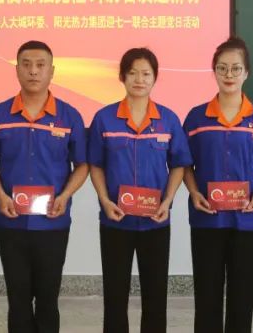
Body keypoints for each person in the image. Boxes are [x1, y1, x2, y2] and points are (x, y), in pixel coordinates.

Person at [0, 40, 89, 333]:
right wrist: (0, 195)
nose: (33, 71)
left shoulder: (69, 116)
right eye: (26, 65)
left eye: (41, 65)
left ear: (52, 71)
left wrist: (66, 195)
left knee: (48, 299)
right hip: (10, 221)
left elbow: (82, 165)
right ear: (17, 70)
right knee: (18, 299)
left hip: (53, 222)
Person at [182, 36, 253, 333]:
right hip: (207, 219)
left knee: (242, 295)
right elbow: (183, 163)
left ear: (246, 73)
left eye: (236, 68)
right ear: (214, 71)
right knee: (207, 295)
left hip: (247, 219)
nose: (229, 74)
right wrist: (193, 191)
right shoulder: (197, 117)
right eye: (222, 68)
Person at [87, 47, 192, 333]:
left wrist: (167, 201)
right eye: (132, 73)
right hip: (115, 220)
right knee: (115, 296)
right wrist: (104, 200)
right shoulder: (104, 118)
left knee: (155, 296)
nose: (139, 79)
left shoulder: (168, 120)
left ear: (155, 78)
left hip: (155, 221)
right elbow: (95, 164)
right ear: (122, 77)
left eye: (146, 74)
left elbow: (179, 165)